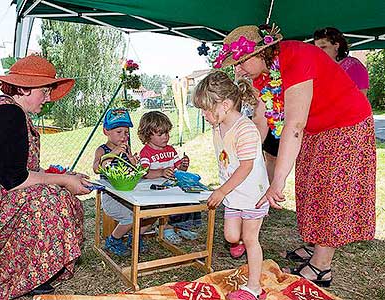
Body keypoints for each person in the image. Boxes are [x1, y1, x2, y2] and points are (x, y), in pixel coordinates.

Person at [214, 24, 375, 287]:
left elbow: (294, 125)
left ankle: (322, 267)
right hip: (317, 129)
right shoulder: (263, 75)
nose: (237, 70)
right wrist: (242, 157)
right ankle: (316, 246)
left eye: (240, 62)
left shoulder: (298, 57)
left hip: (346, 126)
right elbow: (261, 120)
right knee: (311, 188)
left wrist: (277, 180)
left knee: (330, 192)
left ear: (262, 52)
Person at [0, 55, 93, 299]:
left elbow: (21, 169)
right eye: (45, 90)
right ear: (23, 87)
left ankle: (30, 266)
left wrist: (65, 175)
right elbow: (15, 180)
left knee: (57, 194)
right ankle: (25, 274)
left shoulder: (7, 110)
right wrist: (64, 182)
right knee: (51, 201)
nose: (48, 97)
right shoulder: (8, 114)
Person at [192, 71, 270, 300]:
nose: (204, 115)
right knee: (230, 236)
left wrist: (222, 189)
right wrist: (225, 190)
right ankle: (242, 243)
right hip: (234, 194)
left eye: (206, 109)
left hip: (252, 194)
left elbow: (245, 167)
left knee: (250, 238)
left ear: (225, 104)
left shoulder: (245, 130)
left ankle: (254, 288)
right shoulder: (218, 127)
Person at [92, 108, 155, 256]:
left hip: (128, 194)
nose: (124, 136)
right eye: (118, 132)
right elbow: (96, 168)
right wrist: (112, 154)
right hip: (112, 197)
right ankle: (114, 239)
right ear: (106, 131)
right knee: (131, 217)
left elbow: (134, 173)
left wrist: (134, 163)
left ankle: (135, 237)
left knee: (153, 211)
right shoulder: (102, 150)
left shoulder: (127, 149)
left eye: (126, 132)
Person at [137, 111, 198, 244]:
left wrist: (183, 165)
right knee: (165, 205)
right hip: (153, 191)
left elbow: (178, 169)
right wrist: (161, 172)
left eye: (167, 133)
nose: (166, 137)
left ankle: (180, 226)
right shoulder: (146, 152)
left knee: (185, 201)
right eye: (160, 134)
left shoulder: (170, 150)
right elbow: (144, 173)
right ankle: (166, 228)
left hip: (170, 187)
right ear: (148, 135)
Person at [314, 27, 369, 95]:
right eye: (316, 48)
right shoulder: (320, 67)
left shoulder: (353, 66)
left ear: (336, 45)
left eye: (323, 47)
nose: (319, 51)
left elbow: (361, 97)